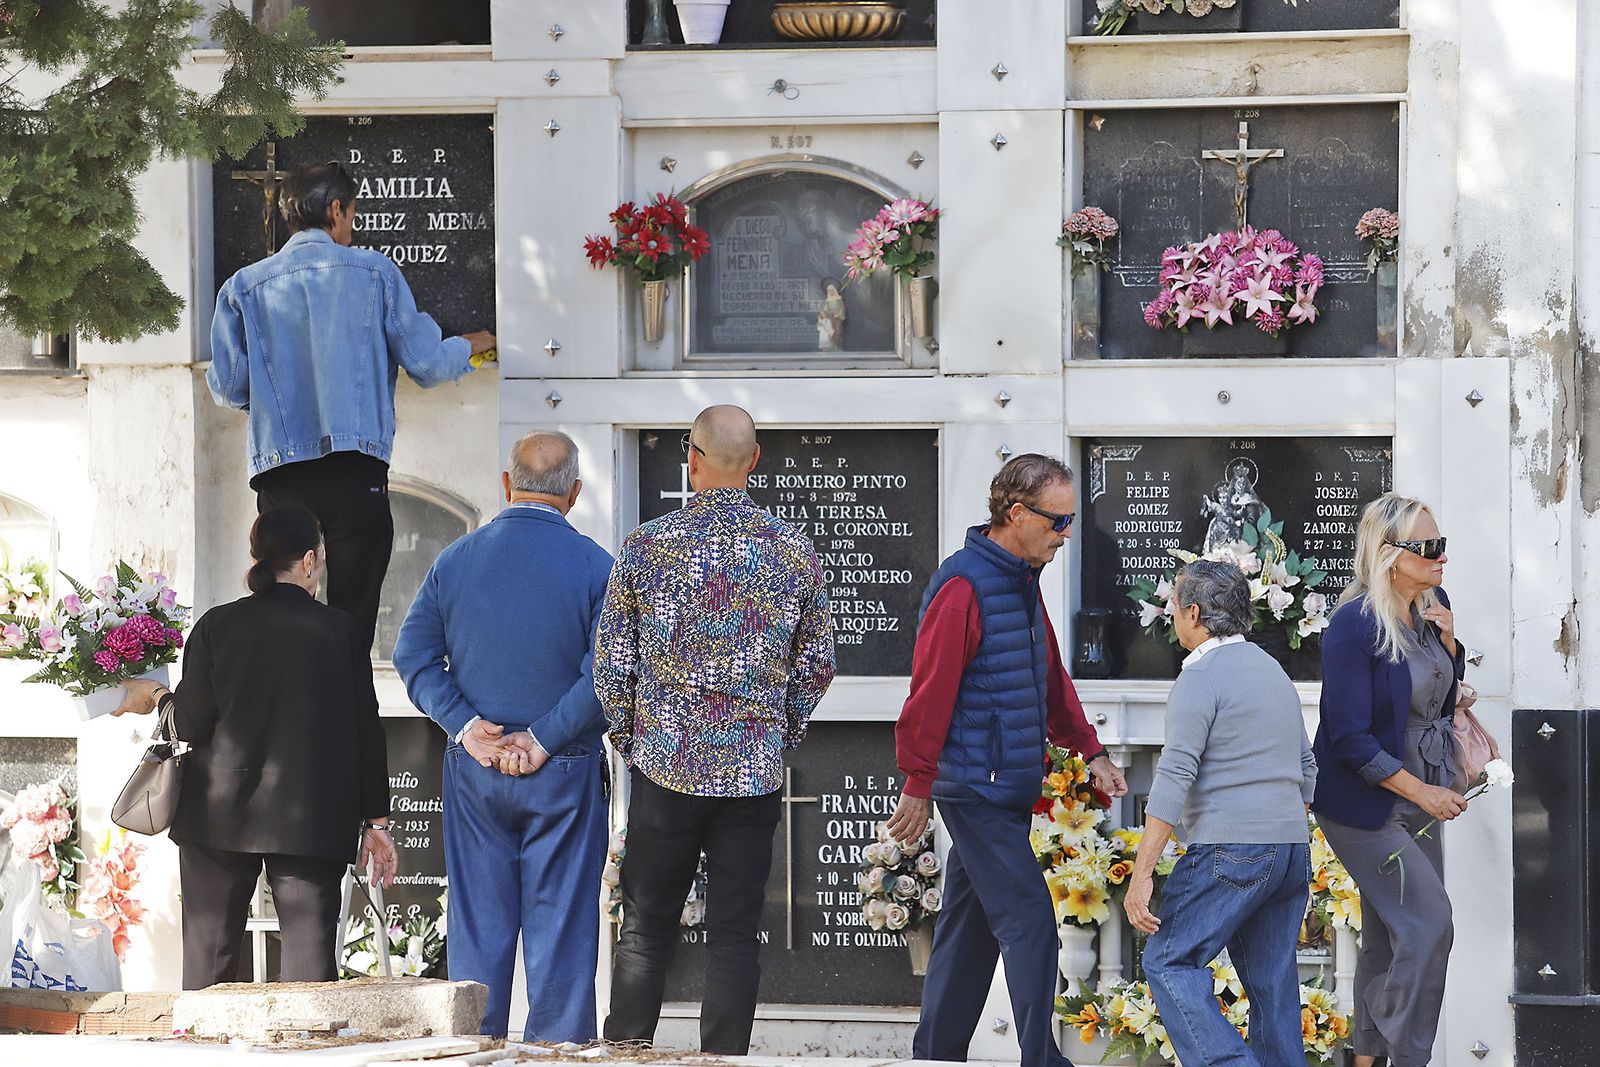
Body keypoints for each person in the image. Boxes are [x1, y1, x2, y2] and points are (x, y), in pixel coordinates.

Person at [595, 405, 836, 1055]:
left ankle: (626, 1054)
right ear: (753, 460)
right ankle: (724, 1058)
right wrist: (775, 733)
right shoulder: (792, 547)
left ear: (691, 459)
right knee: (735, 930)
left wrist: (633, 739)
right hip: (751, 771)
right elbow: (818, 663)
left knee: (647, 926)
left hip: (665, 763)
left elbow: (613, 667)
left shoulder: (647, 546)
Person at [885, 453, 1128, 1067]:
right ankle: (1041, 1060)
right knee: (1029, 923)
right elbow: (929, 689)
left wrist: (1091, 751)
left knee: (968, 931)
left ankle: (935, 1054)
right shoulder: (964, 585)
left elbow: (1047, 676)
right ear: (1015, 514)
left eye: (1071, 522)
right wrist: (918, 781)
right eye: (1058, 522)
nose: (1066, 535)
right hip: (976, 789)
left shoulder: (1020, 582)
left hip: (1003, 786)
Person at [208, 161, 497, 656]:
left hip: (281, 472)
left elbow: (230, 388)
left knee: (282, 617)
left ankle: (290, 723)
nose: (352, 227)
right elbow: (426, 364)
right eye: (352, 214)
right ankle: (350, 727)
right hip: (355, 471)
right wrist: (470, 347)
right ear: (336, 209)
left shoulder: (243, 287)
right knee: (354, 624)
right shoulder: (375, 273)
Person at [113, 505, 395, 988]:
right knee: (309, 980)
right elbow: (367, 728)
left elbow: (189, 724)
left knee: (207, 971)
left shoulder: (216, 627)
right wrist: (376, 822)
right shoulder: (343, 632)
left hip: (216, 817)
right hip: (312, 821)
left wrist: (156, 696)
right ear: (308, 562)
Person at [392, 432, 613, 1042]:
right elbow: (608, 675)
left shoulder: (456, 560)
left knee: (478, 931)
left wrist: (466, 727)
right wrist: (541, 739)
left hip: (477, 770)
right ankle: (558, 1055)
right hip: (563, 768)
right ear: (573, 493)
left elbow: (412, 657)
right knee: (562, 934)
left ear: (506, 483)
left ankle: (471, 1051)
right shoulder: (598, 566)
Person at [1124, 559, 1318, 1067]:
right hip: (1290, 847)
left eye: (1172, 604)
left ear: (1193, 612)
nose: (1169, 613)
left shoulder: (1200, 677)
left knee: (1168, 960)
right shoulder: (1271, 669)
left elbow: (1173, 779)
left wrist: (1142, 872)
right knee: (1272, 982)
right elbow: (1306, 765)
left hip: (1229, 848)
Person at [1311, 493, 1467, 1067]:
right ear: (1387, 554)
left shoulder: (1433, 604)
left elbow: (1437, 698)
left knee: (1388, 936)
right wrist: (1421, 790)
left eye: (1441, 545)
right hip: (1365, 806)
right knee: (1430, 926)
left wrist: (1451, 647)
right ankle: (1408, 1055)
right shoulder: (1353, 625)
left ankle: (1367, 1058)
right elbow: (1348, 737)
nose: (1440, 558)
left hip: (1427, 793)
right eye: (1427, 548)